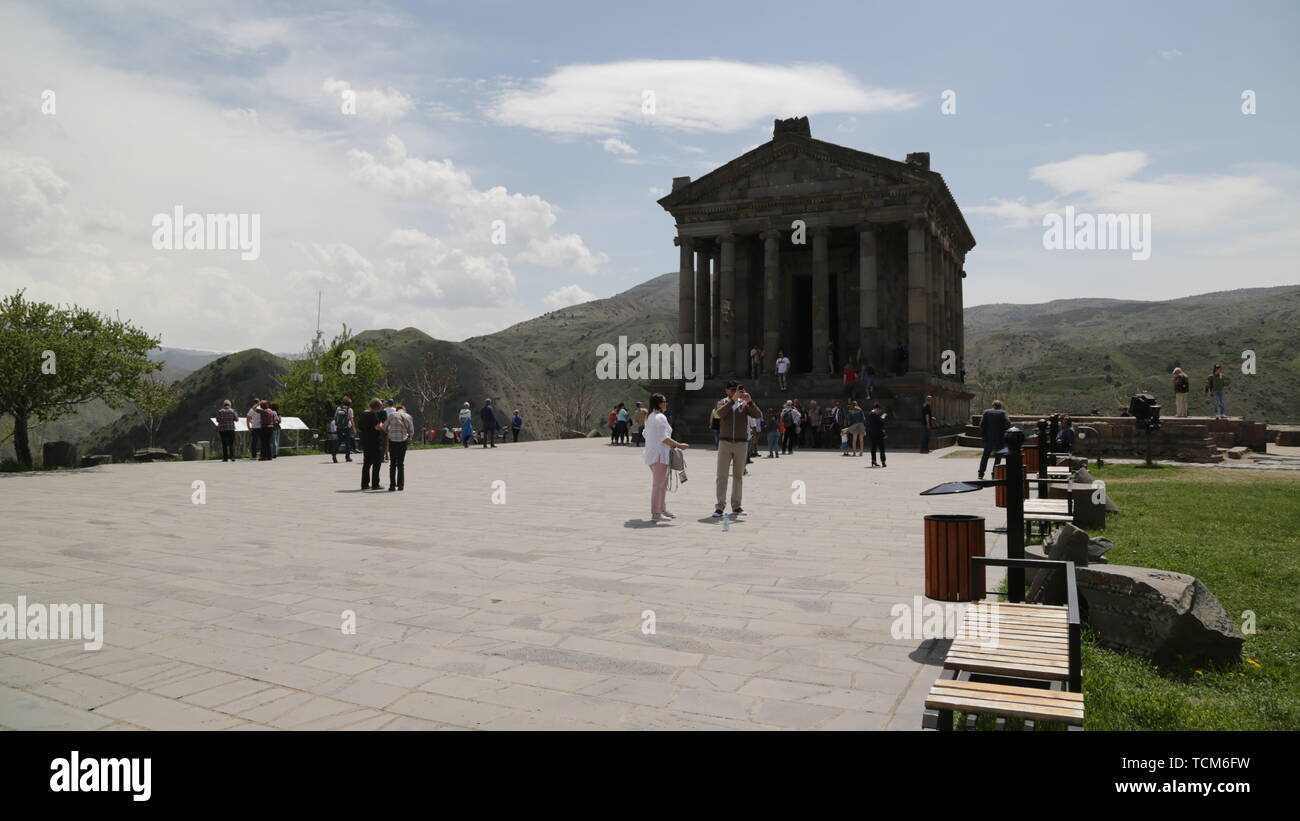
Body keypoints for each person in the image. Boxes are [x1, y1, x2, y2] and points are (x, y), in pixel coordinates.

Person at [714, 381, 762, 517]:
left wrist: (751, 402)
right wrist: (732, 401)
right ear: (726, 391)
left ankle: (736, 506)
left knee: (738, 476)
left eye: (737, 390)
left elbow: (758, 415)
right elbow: (720, 414)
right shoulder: (722, 402)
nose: (735, 392)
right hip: (725, 442)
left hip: (741, 443)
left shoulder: (744, 403)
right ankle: (719, 506)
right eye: (732, 390)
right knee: (722, 476)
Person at [643, 393, 689, 521]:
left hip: (652, 455)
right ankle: (656, 513)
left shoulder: (650, 417)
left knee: (662, 484)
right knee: (658, 485)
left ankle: (661, 509)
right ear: (658, 403)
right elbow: (664, 438)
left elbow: (645, 433)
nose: (666, 403)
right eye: (664, 401)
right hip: (659, 456)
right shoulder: (660, 417)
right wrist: (679, 445)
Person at [977, 399, 1011, 479]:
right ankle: (994, 474)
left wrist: (984, 434)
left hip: (988, 438)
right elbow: (1008, 423)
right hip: (1000, 438)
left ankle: (981, 473)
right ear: (1000, 406)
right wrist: (1004, 430)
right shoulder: (1003, 413)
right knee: (998, 457)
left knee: (985, 456)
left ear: (993, 405)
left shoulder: (986, 412)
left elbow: (981, 425)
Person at [357, 398, 386, 489]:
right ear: (377, 407)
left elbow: (360, 426)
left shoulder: (363, 414)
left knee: (367, 463)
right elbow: (378, 427)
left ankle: (364, 484)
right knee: (377, 463)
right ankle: (375, 484)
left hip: (365, 441)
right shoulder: (372, 414)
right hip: (374, 441)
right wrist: (382, 424)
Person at [385, 402, 413, 491]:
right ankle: (401, 485)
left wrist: (389, 433)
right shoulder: (408, 416)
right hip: (403, 441)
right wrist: (409, 438)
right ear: (404, 410)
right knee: (401, 464)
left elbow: (385, 427)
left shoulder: (391, 415)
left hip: (392, 441)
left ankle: (392, 485)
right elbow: (411, 430)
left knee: (392, 464)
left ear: (396, 410)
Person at [334, 397, 355, 463]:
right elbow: (351, 420)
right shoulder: (350, 409)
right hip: (347, 428)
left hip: (339, 427)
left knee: (338, 441)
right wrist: (354, 429)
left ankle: (334, 455)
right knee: (347, 442)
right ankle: (347, 457)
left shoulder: (338, 408)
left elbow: (335, 418)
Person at [867, 402, 889, 467]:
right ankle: (883, 462)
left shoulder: (870, 413)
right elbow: (881, 422)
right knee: (881, 448)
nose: (879, 411)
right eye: (879, 410)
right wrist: (883, 416)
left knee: (873, 448)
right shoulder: (875, 414)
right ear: (877, 408)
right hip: (878, 434)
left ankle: (873, 460)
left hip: (871, 433)